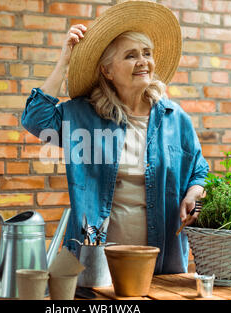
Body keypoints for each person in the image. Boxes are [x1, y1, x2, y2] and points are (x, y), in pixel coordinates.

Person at [21, 1, 209, 274]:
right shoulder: (84, 116)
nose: (143, 61)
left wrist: (194, 195)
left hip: (160, 261)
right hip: (95, 262)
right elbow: (36, 120)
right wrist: (65, 60)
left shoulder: (174, 118)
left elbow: (199, 172)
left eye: (147, 53)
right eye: (131, 55)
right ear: (107, 71)